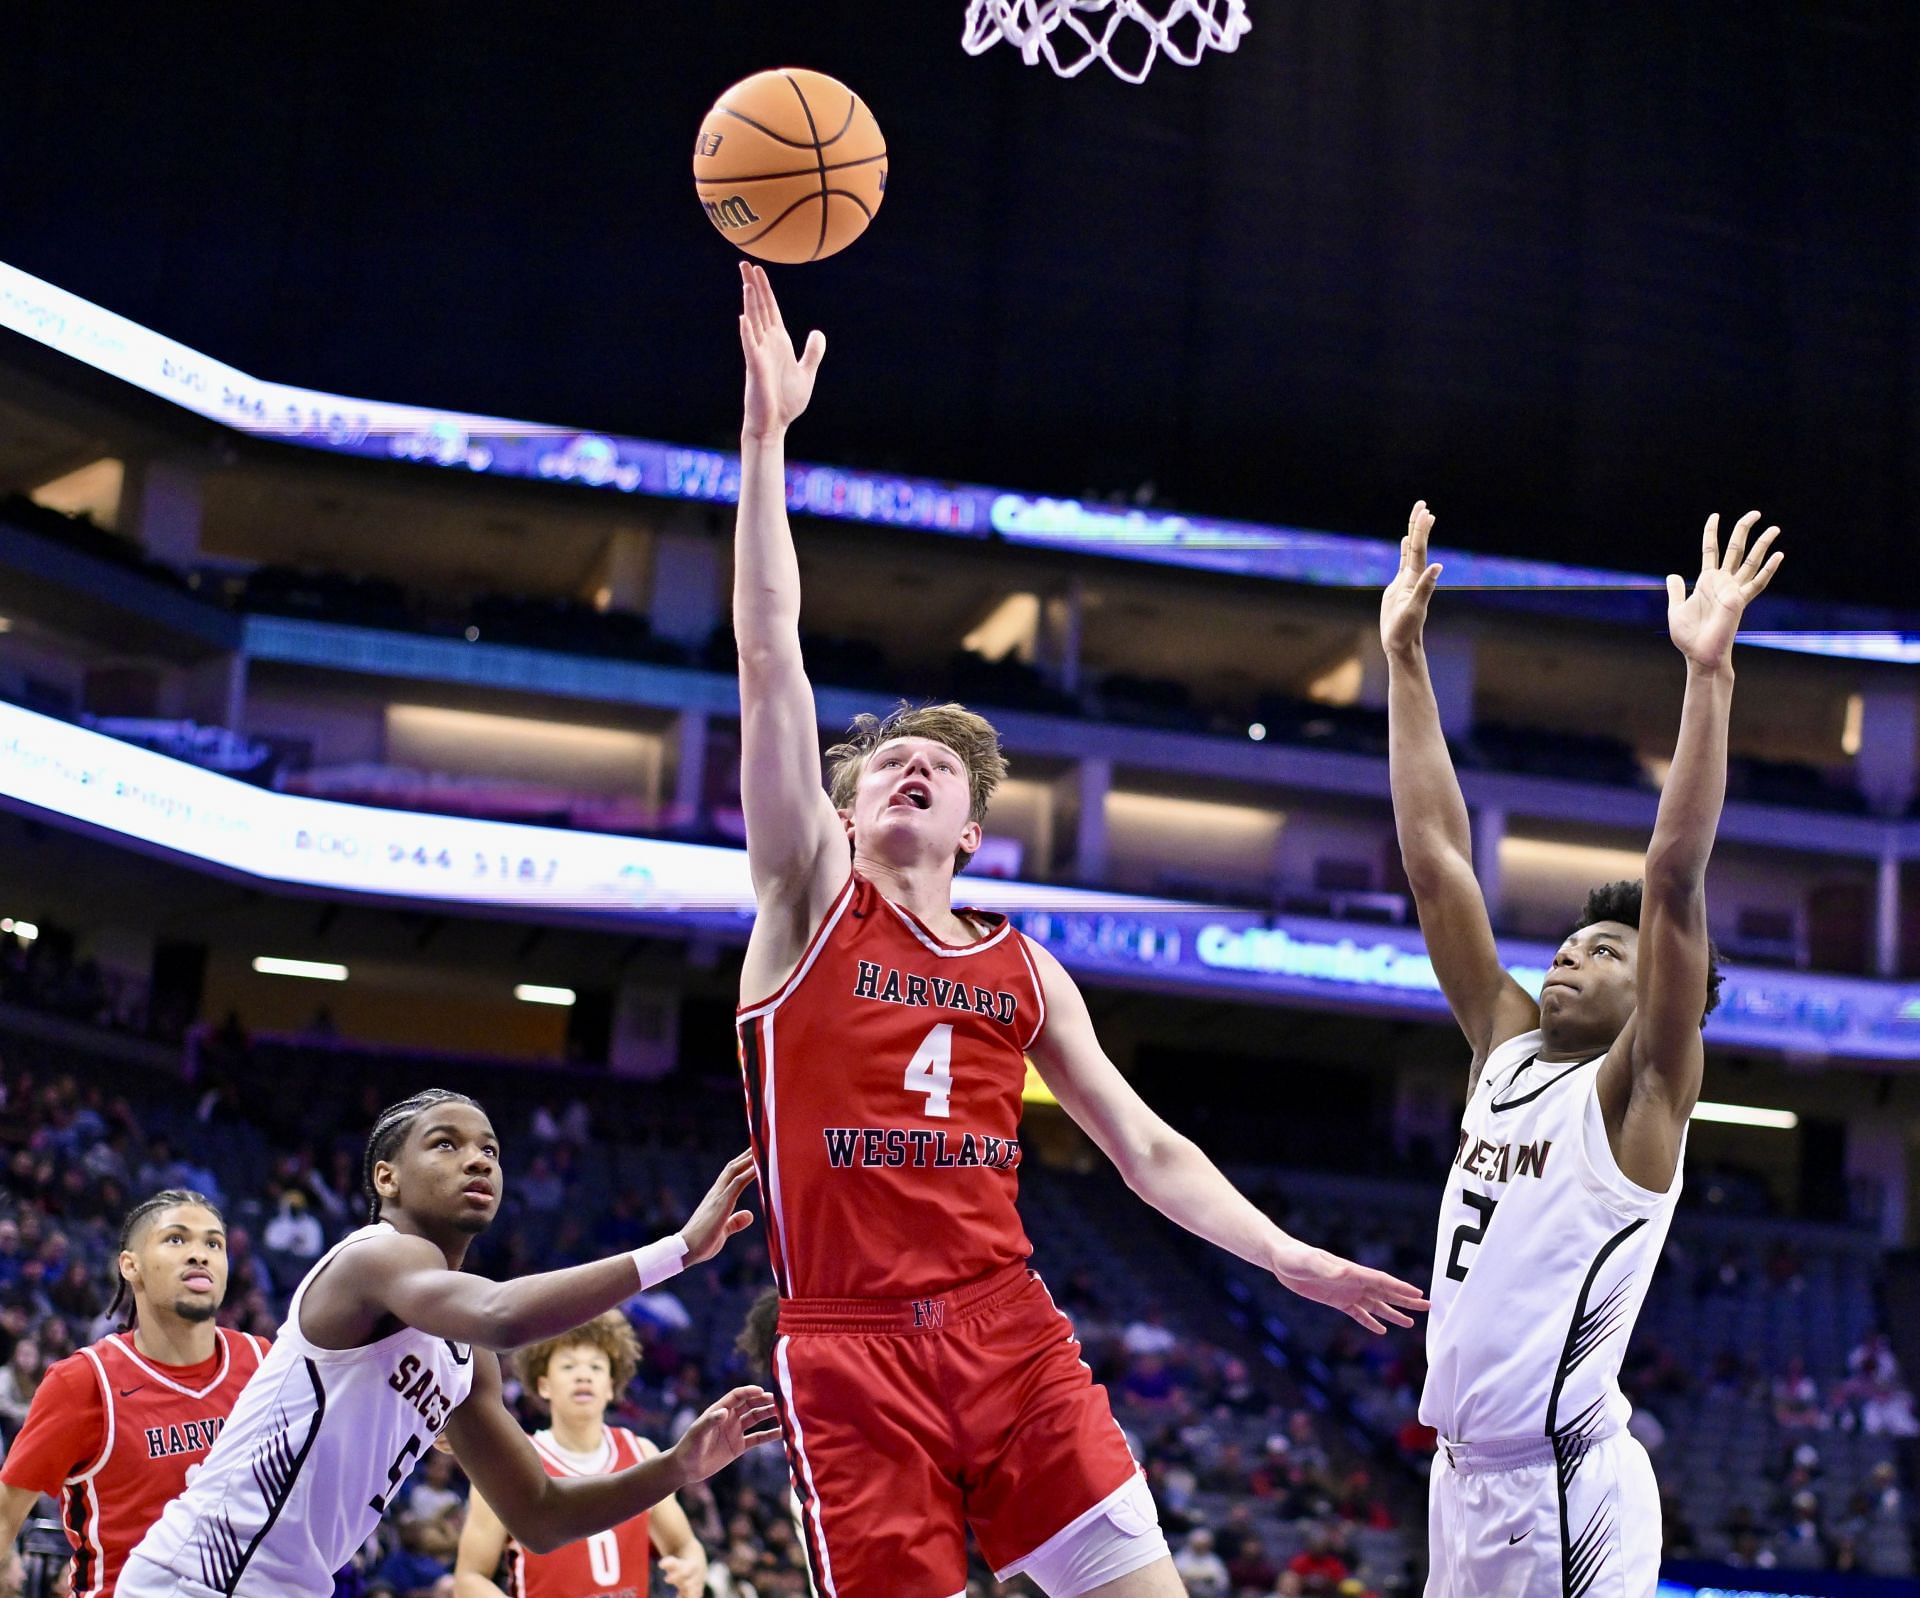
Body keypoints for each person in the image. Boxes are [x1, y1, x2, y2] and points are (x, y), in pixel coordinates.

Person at [728, 261, 1427, 1598]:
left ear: (976, 836)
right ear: (840, 808)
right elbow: (772, 652)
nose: (913, 766)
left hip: (1009, 1330)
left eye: (939, 766)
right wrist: (767, 440)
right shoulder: (807, 899)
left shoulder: (1023, 967)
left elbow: (1146, 1145)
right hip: (851, 1346)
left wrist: (1287, 1255)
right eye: (887, 763)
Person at [1380, 502, 1783, 1595]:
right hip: (1462, 1481)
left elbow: (1671, 878)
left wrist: (1709, 676)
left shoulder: (1640, 1094)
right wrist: (1404, 658)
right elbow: (1436, 863)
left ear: (1665, 990)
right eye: (1568, 938)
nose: (1567, 954)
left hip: (1560, 1488)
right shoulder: (1506, 1045)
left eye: (1605, 951)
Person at [121, 1089, 779, 1598]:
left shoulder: (465, 1358)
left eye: (490, 1149)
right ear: (387, 1179)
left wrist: (676, 1469)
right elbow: (500, 1313)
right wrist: (679, 1251)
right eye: (445, 1143)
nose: (476, 1158)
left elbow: (540, 1516)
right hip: (202, 1573)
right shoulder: (373, 1258)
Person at [0, 1190, 267, 1598]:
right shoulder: (84, 1381)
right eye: (176, 1239)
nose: (200, 1255)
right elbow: (6, 1514)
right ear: (131, 1266)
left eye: (214, 1243)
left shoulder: (264, 1361)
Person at [454, 1309, 708, 1598]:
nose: (584, 1376)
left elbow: (685, 1546)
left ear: (612, 1387)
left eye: (596, 1367)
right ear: (544, 1385)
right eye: (569, 1366)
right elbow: (470, 1579)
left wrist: (692, 1569)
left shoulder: (641, 1452)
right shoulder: (510, 1465)